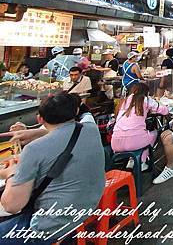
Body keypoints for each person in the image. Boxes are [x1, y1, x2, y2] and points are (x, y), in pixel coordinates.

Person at [0, 93, 105, 244]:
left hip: (48, 226)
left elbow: (12, 205)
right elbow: (69, 130)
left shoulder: (33, 150)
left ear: (40, 119)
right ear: (75, 112)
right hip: (85, 208)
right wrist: (37, 132)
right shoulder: (90, 127)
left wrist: (11, 173)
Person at [111, 83, 169, 170]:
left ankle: (132, 160)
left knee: (138, 134)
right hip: (135, 142)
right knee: (154, 133)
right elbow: (165, 111)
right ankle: (142, 161)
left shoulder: (124, 101)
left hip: (115, 143)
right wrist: (158, 101)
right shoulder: (145, 100)